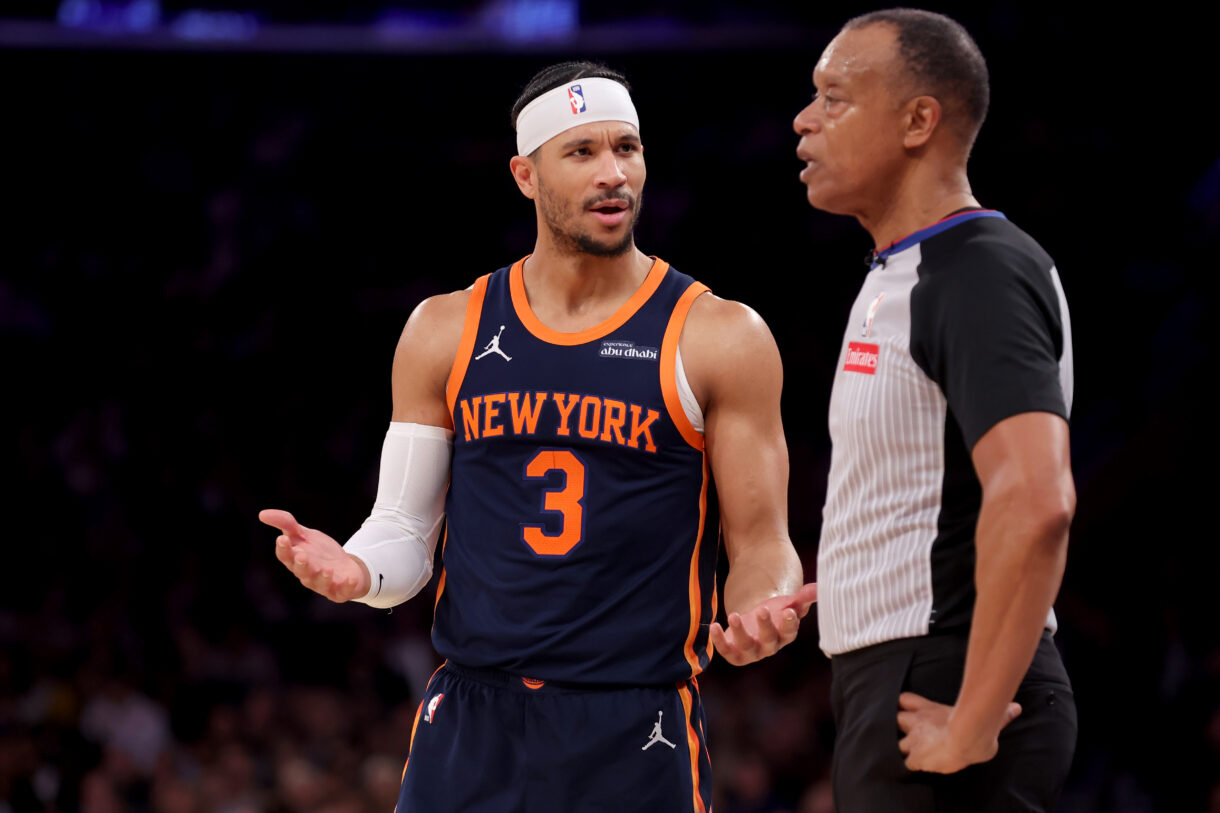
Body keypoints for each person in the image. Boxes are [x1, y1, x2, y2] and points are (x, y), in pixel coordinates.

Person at [261, 61, 816, 812]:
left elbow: (761, 545)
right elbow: (401, 531)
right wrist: (358, 570)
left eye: (628, 147)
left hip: (632, 720)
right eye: (582, 151)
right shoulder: (444, 327)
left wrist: (762, 608)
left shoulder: (719, 335)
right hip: (471, 714)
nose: (614, 172)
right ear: (526, 174)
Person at [792, 9, 1077, 813]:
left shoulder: (977, 270)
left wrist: (975, 721)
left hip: (949, 683)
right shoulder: (901, 272)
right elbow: (932, 493)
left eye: (834, 97)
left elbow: (1039, 499)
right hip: (901, 673)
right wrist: (837, 584)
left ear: (920, 120)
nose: (803, 119)